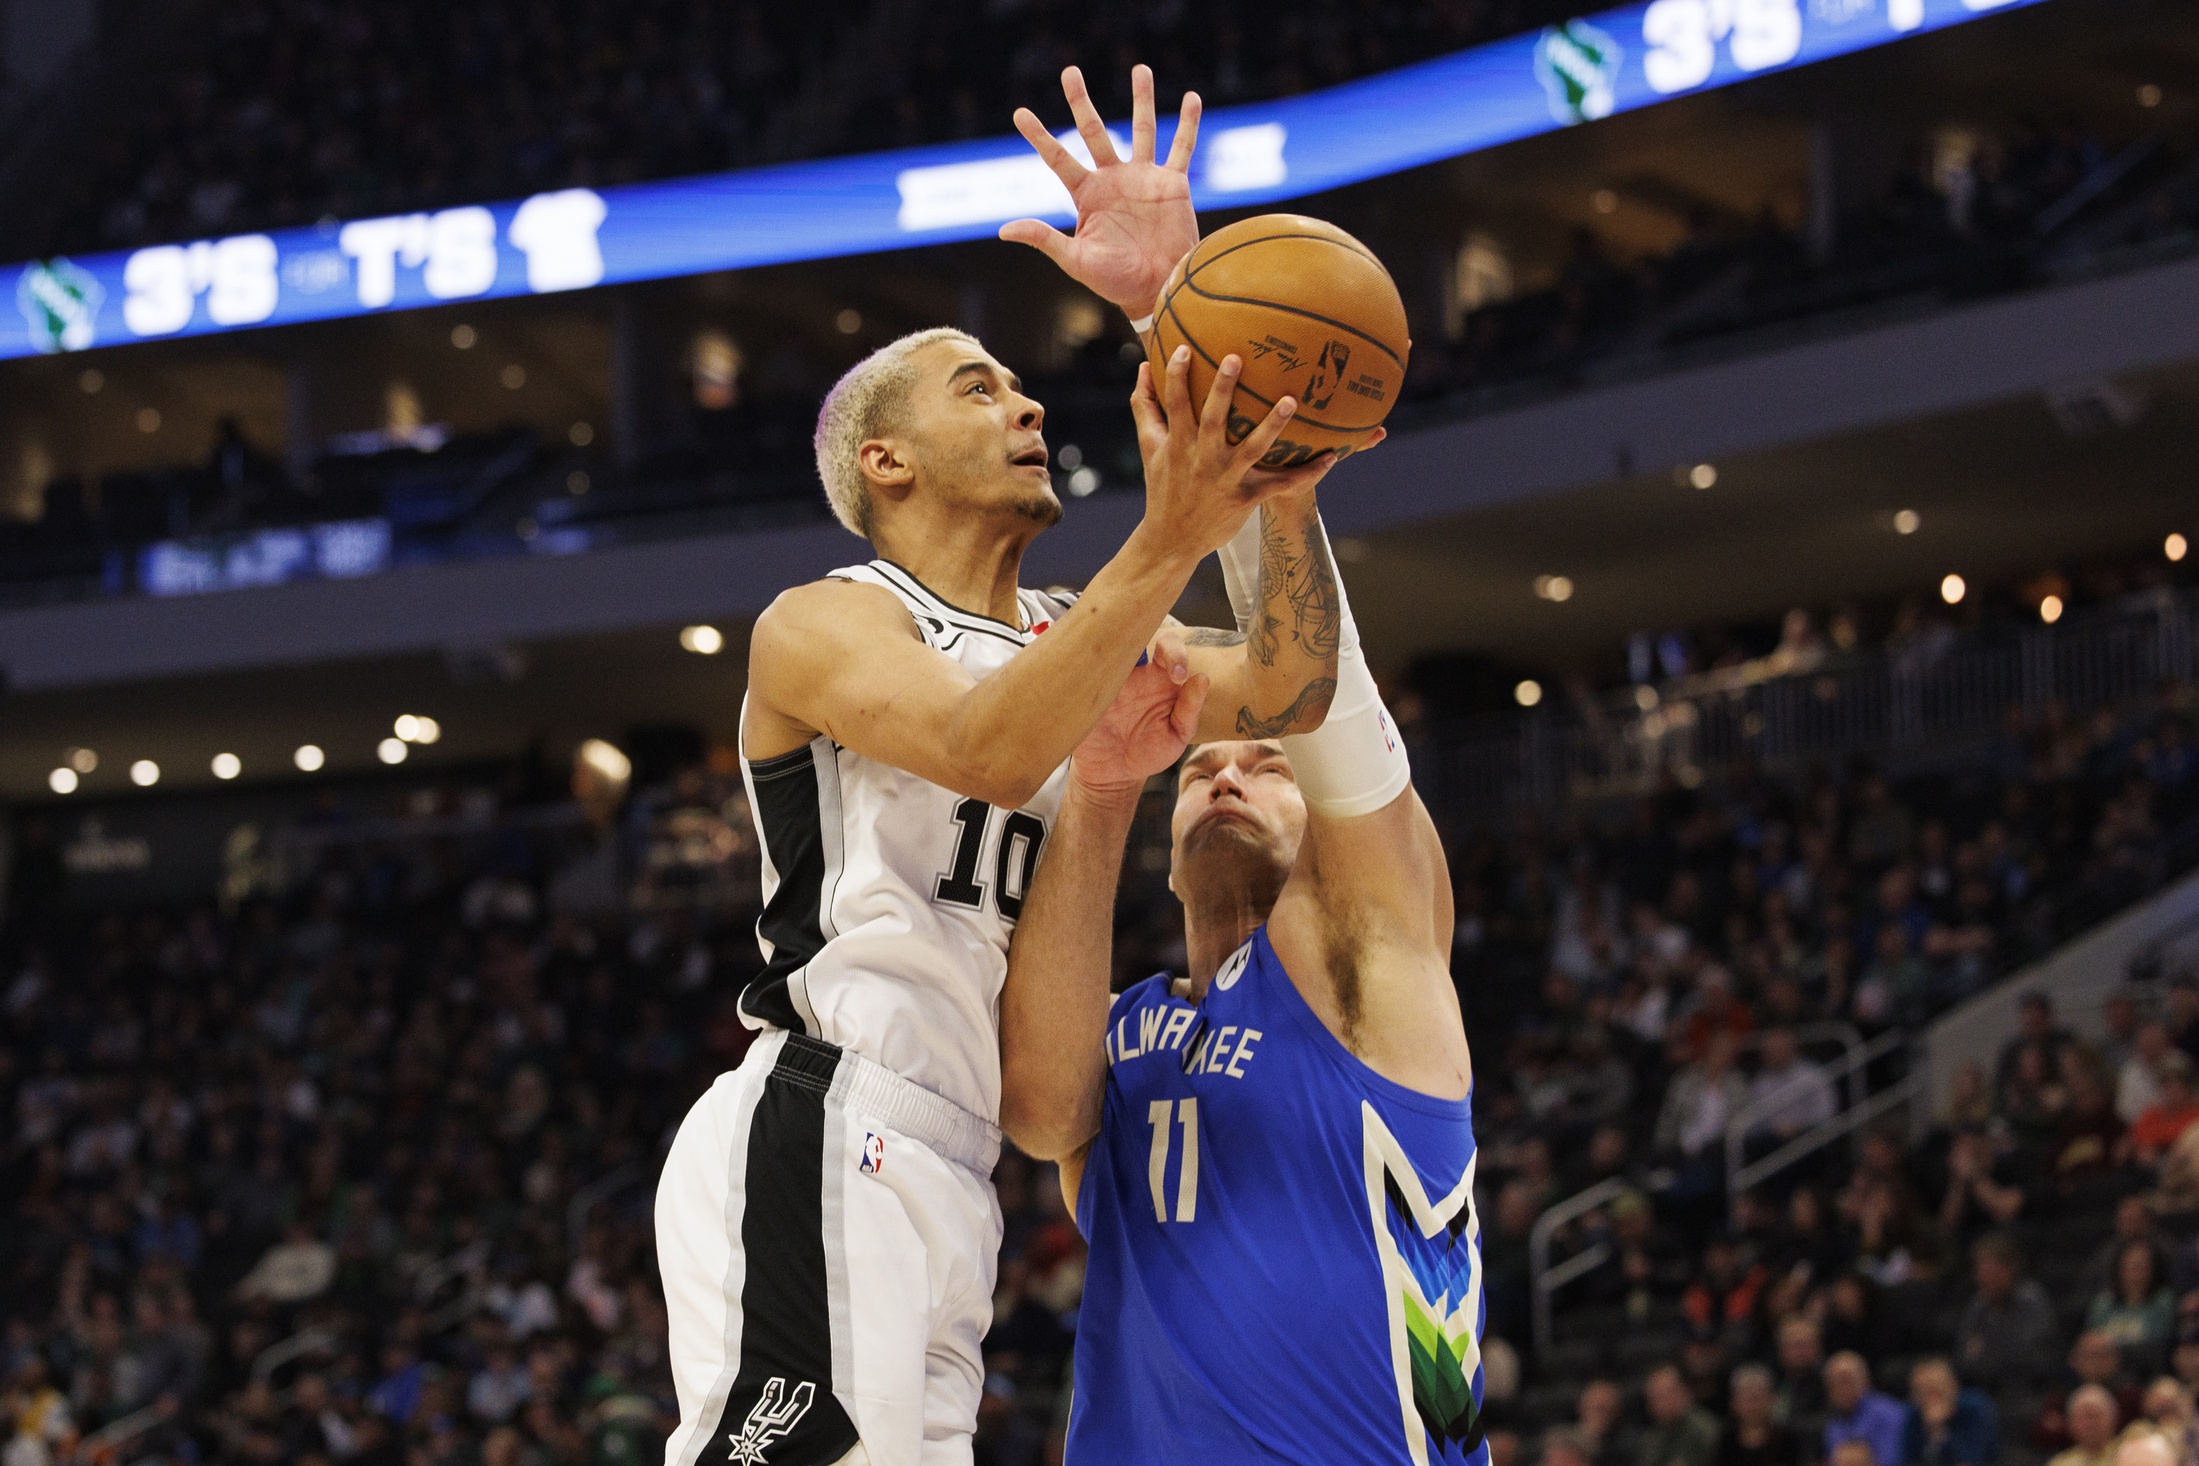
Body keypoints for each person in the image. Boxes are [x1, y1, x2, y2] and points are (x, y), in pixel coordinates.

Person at [654, 65, 1352, 1466]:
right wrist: (1169, 533)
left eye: (1027, 386)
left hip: (958, 1159)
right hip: (822, 1109)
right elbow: (985, 746)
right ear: (886, 461)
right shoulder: (828, 620)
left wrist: (1208, 370)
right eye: (982, 389)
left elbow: (1289, 681)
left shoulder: (1064, 639)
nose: (1029, 406)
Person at [994, 425, 1467, 1458]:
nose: (1225, 774)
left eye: (1268, 764)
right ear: (1164, 859)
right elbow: (1037, 1114)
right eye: (1198, 766)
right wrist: (1112, 777)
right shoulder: (1127, 1029)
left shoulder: (1373, 966)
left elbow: (1334, 719)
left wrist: (1269, 477)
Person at [1902, 1357, 2000, 1466]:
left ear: (1953, 1386)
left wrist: (1939, 1430)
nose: (1931, 1398)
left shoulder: (1976, 1408)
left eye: (1935, 1389)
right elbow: (1907, 1459)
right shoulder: (1914, 1414)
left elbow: (1970, 1460)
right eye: (1920, 1391)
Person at [1822, 1353, 1907, 1466]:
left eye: (1845, 1380)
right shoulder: (1833, 1426)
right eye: (1833, 1383)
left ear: (1865, 1380)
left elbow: (1893, 1461)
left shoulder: (1889, 1415)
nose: (1841, 1389)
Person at [1719, 1364, 1801, 1466]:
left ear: (1772, 1400)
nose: (1753, 1406)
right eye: (1747, 1399)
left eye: (1757, 1398)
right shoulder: (1725, 1442)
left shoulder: (1787, 1440)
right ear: (1733, 1403)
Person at [1639, 1366, 1722, 1466]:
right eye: (1655, 1397)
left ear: (1684, 1392)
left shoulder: (1704, 1429)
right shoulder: (1651, 1438)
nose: (1661, 1403)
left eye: (1667, 1394)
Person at [2048, 1386, 2122, 1466]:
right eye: (2083, 1418)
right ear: (2070, 1424)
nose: (2090, 1424)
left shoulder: (2128, 1455)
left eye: (2095, 1416)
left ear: (2113, 1418)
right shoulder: (2060, 1463)